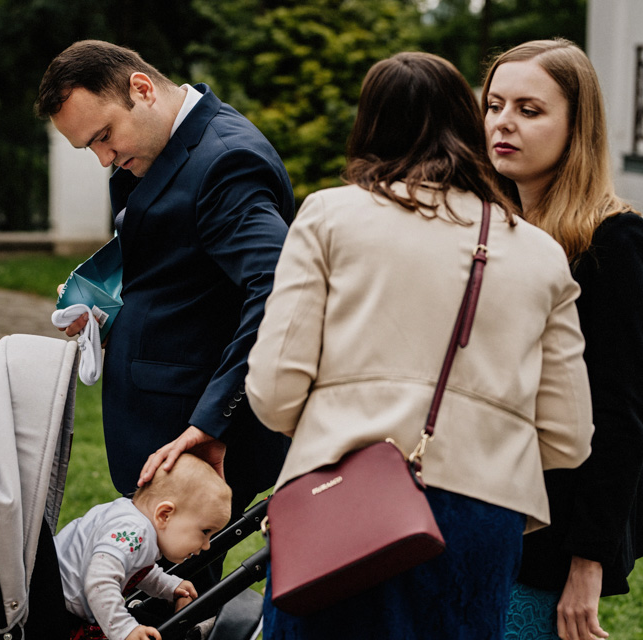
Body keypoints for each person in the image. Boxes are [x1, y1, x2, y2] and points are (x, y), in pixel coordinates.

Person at [246, 51, 595, 638]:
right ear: (468, 123)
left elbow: (274, 391)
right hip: (481, 518)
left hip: (339, 500)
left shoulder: (329, 216)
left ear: (367, 126)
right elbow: (569, 436)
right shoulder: (540, 253)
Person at [34, 41, 293, 553]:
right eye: (90, 148)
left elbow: (280, 288)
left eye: (104, 136)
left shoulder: (226, 160)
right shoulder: (158, 148)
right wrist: (108, 313)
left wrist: (211, 421)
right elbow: (181, 272)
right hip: (161, 430)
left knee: (175, 598)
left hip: (196, 443)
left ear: (142, 89)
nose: (104, 158)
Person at [482, 38, 643, 640]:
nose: (504, 122)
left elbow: (621, 417)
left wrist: (588, 561)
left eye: (529, 110)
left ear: (578, 127)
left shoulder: (613, 242)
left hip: (550, 541)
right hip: (475, 517)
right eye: (495, 105)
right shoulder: (489, 230)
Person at [55, 453, 233, 640]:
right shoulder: (134, 532)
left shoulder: (134, 524)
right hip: (57, 610)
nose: (206, 545)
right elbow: (100, 580)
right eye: (205, 531)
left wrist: (170, 586)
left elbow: (135, 569)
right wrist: (125, 629)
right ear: (164, 514)